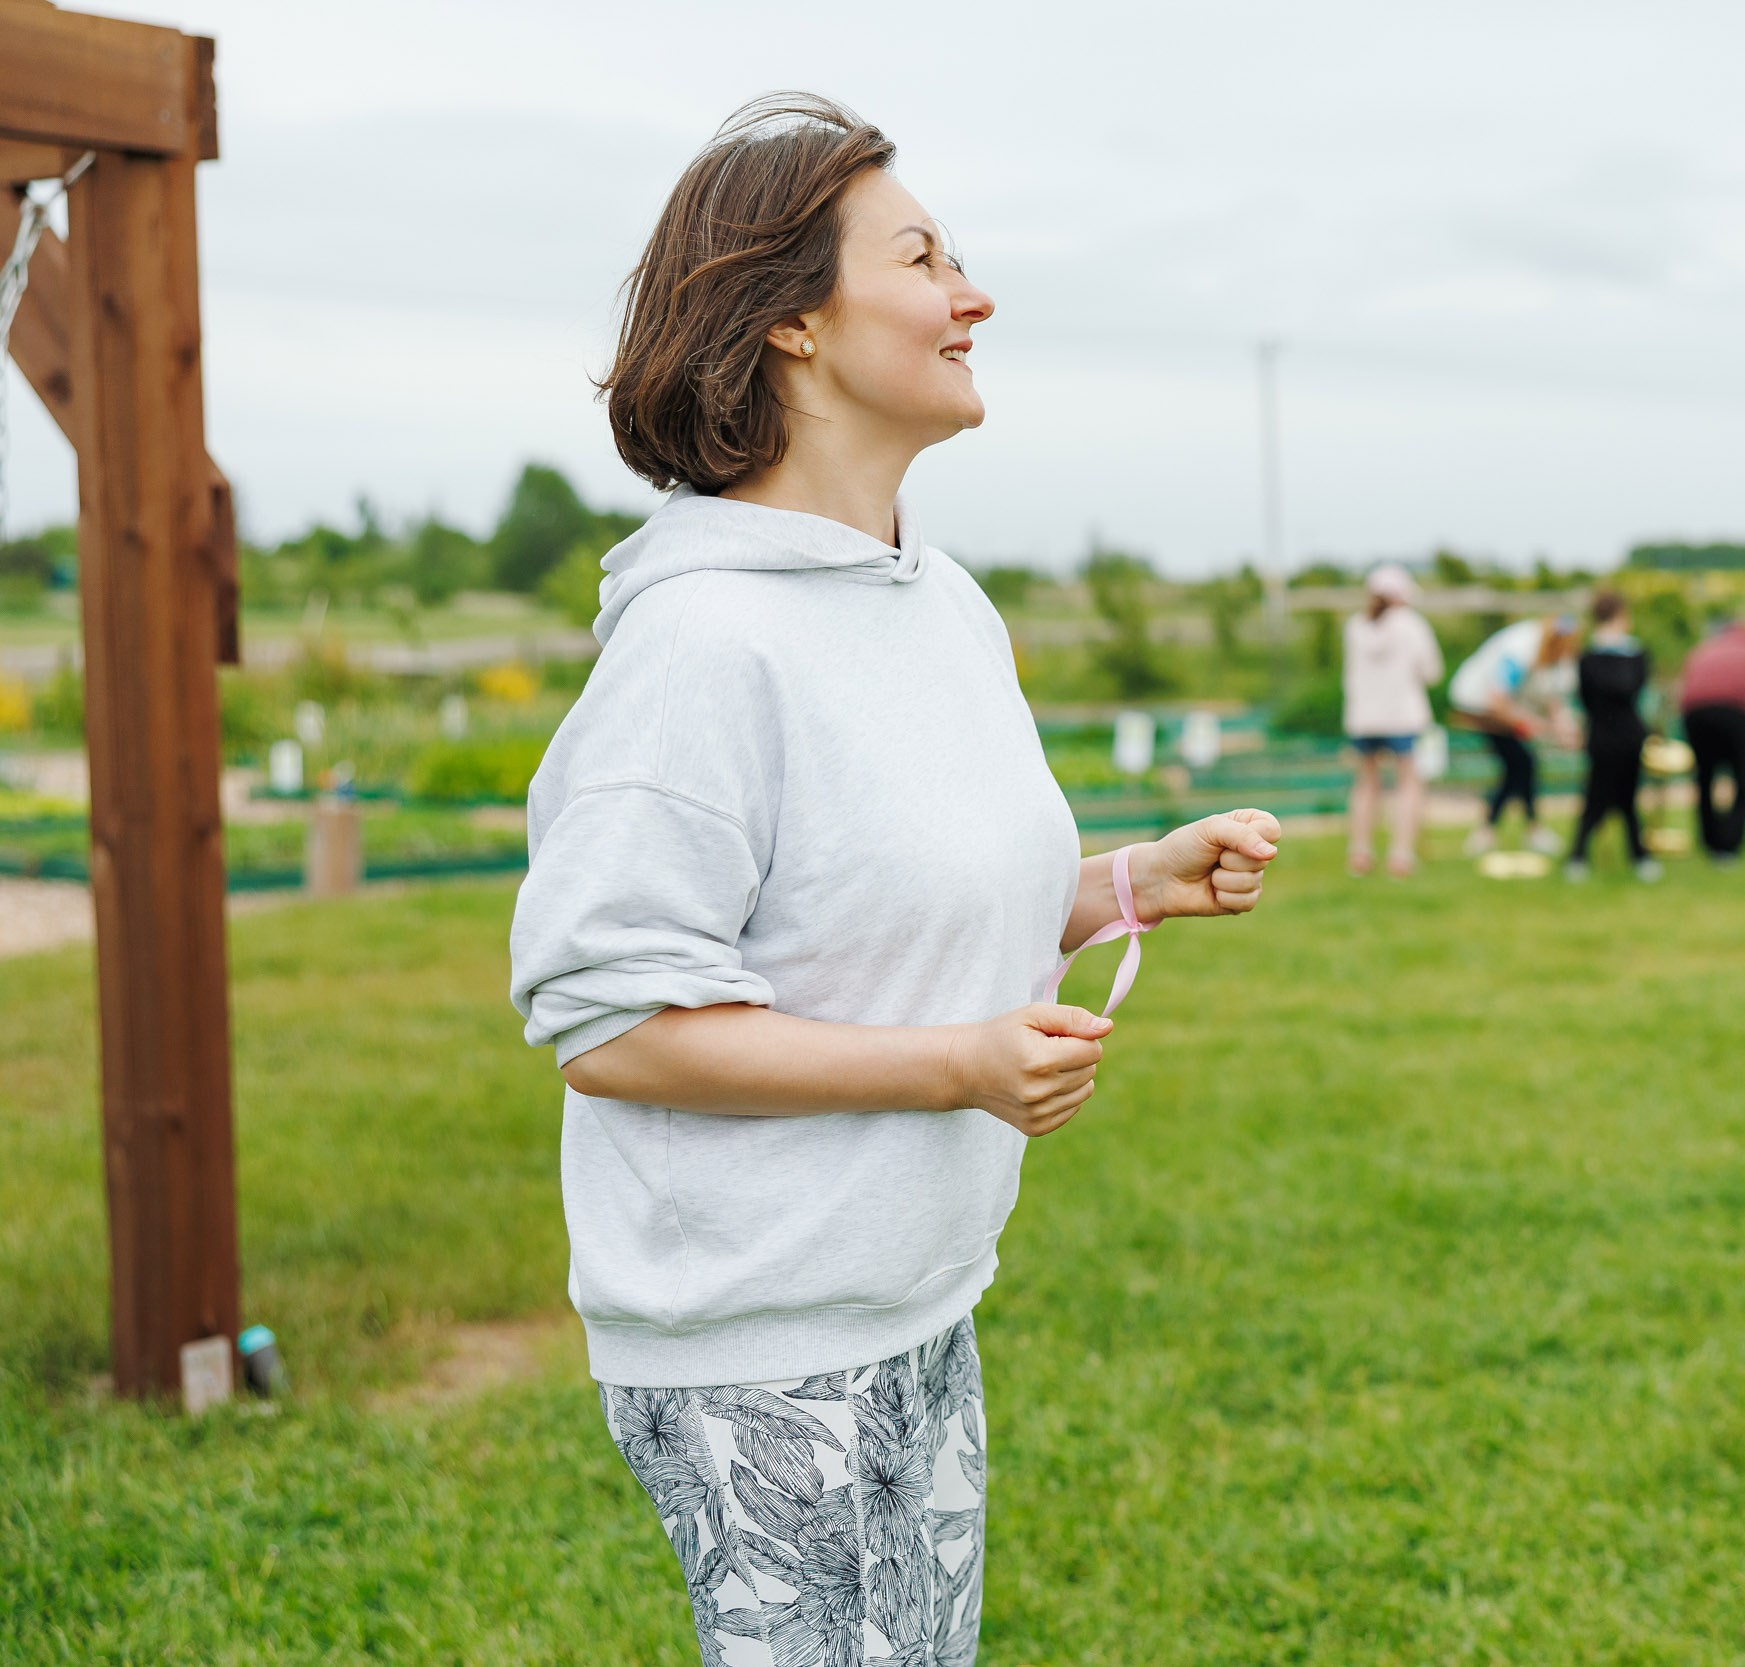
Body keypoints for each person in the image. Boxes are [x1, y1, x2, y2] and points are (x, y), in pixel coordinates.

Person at [507, 97, 1282, 1664]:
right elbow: (615, 1021)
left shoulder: (943, 605)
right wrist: (957, 1067)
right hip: (757, 1339)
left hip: (921, 1300)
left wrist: (1127, 880)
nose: (971, 297)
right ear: (791, 319)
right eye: (925, 258)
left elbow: (889, 894)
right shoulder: (700, 643)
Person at [1447, 613, 1580, 857]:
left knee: (1521, 766)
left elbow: (1554, 700)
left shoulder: (1561, 658)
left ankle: (1501, 830)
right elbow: (1497, 701)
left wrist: (1564, 730)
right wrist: (1531, 723)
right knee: (1521, 764)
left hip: (1507, 708)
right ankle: (1511, 830)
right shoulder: (1519, 650)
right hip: (1480, 707)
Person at [1341, 563, 1443, 877]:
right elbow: (1432, 672)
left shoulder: (1356, 625)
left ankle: (1360, 852)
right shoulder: (1412, 625)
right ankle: (1401, 855)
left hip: (1364, 718)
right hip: (1403, 717)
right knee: (1407, 785)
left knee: (1366, 784)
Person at [1566, 588, 1661, 882]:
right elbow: (1632, 689)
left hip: (1604, 734)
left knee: (1607, 797)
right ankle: (1624, 857)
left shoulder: (1587, 657)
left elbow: (1585, 696)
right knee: (1614, 797)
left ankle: (1584, 856)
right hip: (1623, 734)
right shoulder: (1633, 656)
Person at [1677, 618, 1745, 862]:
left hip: (1694, 715)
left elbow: (1684, 690)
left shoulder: (1706, 648)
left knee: (1704, 779)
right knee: (1742, 782)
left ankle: (1710, 844)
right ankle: (1729, 848)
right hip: (1737, 715)